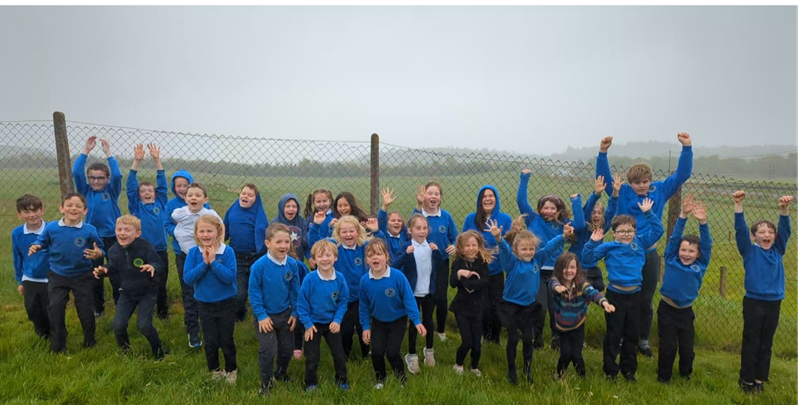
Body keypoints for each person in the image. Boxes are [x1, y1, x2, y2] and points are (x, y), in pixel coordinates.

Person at [597, 133, 694, 357]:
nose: (641, 186)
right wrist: (603, 152)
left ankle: (642, 340)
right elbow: (603, 178)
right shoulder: (622, 192)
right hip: (623, 254)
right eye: (637, 183)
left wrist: (686, 147)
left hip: (648, 252)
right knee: (621, 297)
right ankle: (619, 338)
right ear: (630, 183)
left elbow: (682, 174)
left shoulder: (659, 190)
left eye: (645, 181)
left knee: (646, 299)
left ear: (650, 180)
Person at [582, 197, 664, 382]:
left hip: (635, 296)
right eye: (622, 231)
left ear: (635, 231)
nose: (626, 234)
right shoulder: (608, 246)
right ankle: (610, 371)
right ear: (613, 233)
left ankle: (629, 371)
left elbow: (658, 230)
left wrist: (648, 213)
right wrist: (593, 242)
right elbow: (587, 260)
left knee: (631, 335)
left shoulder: (640, 242)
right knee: (613, 334)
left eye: (630, 231)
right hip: (615, 297)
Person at [488, 218, 572, 386]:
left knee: (528, 339)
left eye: (531, 249)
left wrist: (563, 236)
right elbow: (504, 250)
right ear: (516, 250)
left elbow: (549, 248)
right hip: (511, 306)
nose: (528, 252)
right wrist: (499, 238)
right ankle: (511, 371)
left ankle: (527, 369)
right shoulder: (511, 263)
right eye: (524, 249)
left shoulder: (537, 260)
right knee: (513, 339)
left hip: (528, 307)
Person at [517, 169, 586, 349]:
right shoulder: (533, 219)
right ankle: (537, 339)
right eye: (545, 207)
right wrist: (525, 178)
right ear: (540, 209)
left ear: (558, 210)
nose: (548, 211)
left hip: (557, 273)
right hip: (537, 272)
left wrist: (575, 200)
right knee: (540, 308)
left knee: (557, 309)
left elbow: (579, 224)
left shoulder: (562, 223)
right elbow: (521, 201)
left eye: (552, 208)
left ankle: (556, 341)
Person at [29, 193, 104, 353]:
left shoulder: (89, 230)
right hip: (57, 275)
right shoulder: (52, 228)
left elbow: (100, 248)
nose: (73, 208)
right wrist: (36, 245)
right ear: (61, 208)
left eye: (78, 206)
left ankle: (90, 341)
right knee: (55, 308)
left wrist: (99, 253)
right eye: (69, 205)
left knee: (85, 309)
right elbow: (42, 241)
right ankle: (58, 344)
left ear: (85, 211)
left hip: (82, 275)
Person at [733, 190, 792, 393]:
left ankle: (759, 379)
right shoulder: (749, 251)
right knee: (751, 341)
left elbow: (785, 231)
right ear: (754, 236)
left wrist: (784, 209)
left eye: (770, 232)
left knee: (766, 343)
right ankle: (746, 380)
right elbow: (740, 231)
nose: (766, 235)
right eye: (761, 232)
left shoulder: (778, 250)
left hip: (774, 303)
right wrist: (738, 205)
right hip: (753, 302)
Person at [309, 214, 384, 360]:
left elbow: (381, 247)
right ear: (338, 233)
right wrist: (316, 226)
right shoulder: (334, 246)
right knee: (346, 328)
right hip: (341, 297)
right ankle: (345, 355)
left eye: (351, 231)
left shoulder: (364, 246)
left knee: (363, 324)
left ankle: (366, 353)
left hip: (361, 296)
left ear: (358, 231)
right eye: (344, 231)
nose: (348, 235)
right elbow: (315, 245)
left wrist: (377, 232)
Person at [93, 215, 167, 360]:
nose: (122, 233)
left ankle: (159, 352)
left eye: (127, 230)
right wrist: (104, 271)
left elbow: (159, 264)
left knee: (144, 325)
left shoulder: (145, 246)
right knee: (118, 326)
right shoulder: (114, 250)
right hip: (126, 292)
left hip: (147, 291)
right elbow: (113, 267)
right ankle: (126, 352)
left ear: (137, 233)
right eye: (119, 229)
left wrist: (152, 266)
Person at [657, 195, 712, 383]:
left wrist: (703, 222)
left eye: (691, 251)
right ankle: (663, 378)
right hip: (666, 309)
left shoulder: (701, 264)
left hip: (686, 312)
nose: (686, 254)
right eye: (683, 250)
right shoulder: (671, 257)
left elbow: (707, 244)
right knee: (668, 347)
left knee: (687, 349)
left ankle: (685, 373)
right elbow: (674, 239)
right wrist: (683, 215)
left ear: (698, 254)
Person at [358, 239, 426, 389]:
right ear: (367, 260)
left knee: (392, 352)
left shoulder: (397, 277)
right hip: (378, 322)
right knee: (376, 353)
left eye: (378, 254)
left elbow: (409, 300)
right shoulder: (364, 281)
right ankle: (380, 379)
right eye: (370, 255)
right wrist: (365, 327)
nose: (375, 258)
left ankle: (402, 379)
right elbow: (363, 307)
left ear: (386, 256)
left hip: (397, 321)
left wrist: (417, 321)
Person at [183, 215, 238, 384]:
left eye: (209, 231)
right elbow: (188, 278)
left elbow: (230, 278)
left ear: (218, 232)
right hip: (204, 304)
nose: (206, 235)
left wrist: (213, 263)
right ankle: (215, 370)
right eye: (202, 231)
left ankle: (231, 370)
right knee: (210, 340)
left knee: (226, 339)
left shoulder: (227, 252)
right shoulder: (193, 253)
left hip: (226, 303)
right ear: (197, 234)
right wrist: (204, 264)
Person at [73, 135, 122, 317]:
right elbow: (77, 172)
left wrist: (108, 153)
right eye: (92, 178)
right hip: (91, 239)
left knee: (116, 272)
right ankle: (98, 308)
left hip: (112, 237)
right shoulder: (84, 191)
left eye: (100, 178)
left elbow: (117, 175)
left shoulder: (112, 191)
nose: (95, 181)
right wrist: (86, 150)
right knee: (95, 274)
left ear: (107, 179)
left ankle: (120, 305)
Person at [249, 223, 301, 394]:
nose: (283, 246)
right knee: (268, 350)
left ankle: (281, 373)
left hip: (286, 314)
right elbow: (254, 293)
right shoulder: (259, 266)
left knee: (286, 350)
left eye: (286, 242)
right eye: (278, 242)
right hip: (265, 316)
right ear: (268, 243)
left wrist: (294, 312)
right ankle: (266, 382)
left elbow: (295, 291)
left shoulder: (292, 265)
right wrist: (262, 315)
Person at [549, 253, 615, 378]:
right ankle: (560, 374)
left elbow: (593, 293)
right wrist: (558, 289)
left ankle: (582, 378)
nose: (569, 271)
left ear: (577, 269)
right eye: (565, 267)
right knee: (566, 354)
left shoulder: (582, 284)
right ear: (558, 269)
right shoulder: (555, 281)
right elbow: (553, 286)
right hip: (562, 326)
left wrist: (604, 303)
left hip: (578, 324)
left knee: (577, 355)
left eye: (572, 267)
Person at [461, 185, 513, 345]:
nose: (488, 199)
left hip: (496, 271)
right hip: (477, 271)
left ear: (496, 199)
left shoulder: (505, 219)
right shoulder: (471, 219)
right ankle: (483, 334)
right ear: (480, 200)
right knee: (481, 306)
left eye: (491, 196)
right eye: (484, 196)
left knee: (497, 306)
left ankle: (495, 338)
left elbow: (510, 246)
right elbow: (463, 242)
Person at [172, 182, 222, 348]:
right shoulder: (179, 213)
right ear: (185, 198)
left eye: (198, 195)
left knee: (207, 290)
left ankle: (212, 326)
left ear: (205, 199)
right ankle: (193, 330)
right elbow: (174, 221)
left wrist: (216, 249)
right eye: (190, 195)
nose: (194, 198)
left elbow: (221, 230)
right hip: (185, 257)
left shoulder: (210, 214)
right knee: (189, 293)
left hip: (206, 257)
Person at [296, 239, 350, 392]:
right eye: (320, 256)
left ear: (335, 258)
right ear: (313, 260)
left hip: (332, 323)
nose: (325, 259)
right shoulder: (310, 279)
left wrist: (338, 320)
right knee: (312, 356)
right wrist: (307, 324)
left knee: (339, 355)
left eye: (328, 255)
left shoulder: (339, 278)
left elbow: (343, 301)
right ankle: (310, 382)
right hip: (312, 324)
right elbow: (302, 303)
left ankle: (341, 380)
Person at [127, 143, 170, 319]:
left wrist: (156, 160)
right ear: (138, 194)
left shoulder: (161, 203)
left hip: (160, 250)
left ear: (155, 193)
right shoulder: (136, 206)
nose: (146, 192)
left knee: (160, 281)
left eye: (149, 190)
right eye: (142, 191)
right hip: (142, 250)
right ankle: (144, 310)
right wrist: (136, 162)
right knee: (142, 281)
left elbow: (162, 184)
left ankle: (163, 312)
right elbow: (130, 185)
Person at [391, 214, 438, 374]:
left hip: (429, 292)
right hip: (412, 294)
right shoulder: (406, 246)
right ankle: (411, 355)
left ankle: (429, 351)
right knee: (413, 325)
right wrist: (406, 254)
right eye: (418, 228)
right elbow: (394, 266)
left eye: (425, 228)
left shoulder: (431, 247)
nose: (422, 231)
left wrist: (437, 253)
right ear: (410, 230)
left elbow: (440, 267)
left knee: (429, 323)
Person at [412, 182, 459, 341]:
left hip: (441, 263)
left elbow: (455, 237)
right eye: (429, 193)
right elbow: (410, 229)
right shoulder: (419, 215)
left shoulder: (446, 216)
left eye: (436, 194)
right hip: (421, 263)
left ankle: (440, 330)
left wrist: (453, 246)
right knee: (422, 295)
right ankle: (420, 327)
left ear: (440, 198)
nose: (433, 197)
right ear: (424, 196)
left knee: (441, 297)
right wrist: (418, 205)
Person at [449, 230, 492, 377]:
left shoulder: (482, 262)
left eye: (474, 245)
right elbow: (453, 283)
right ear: (461, 248)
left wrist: (468, 282)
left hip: (477, 308)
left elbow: (485, 282)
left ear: (479, 246)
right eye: (467, 245)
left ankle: (474, 367)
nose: (471, 248)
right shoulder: (458, 262)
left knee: (477, 344)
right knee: (467, 341)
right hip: (461, 307)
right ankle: (458, 364)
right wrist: (460, 274)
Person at [224, 183, 269, 322]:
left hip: (257, 257)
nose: (245, 196)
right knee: (239, 293)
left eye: (250, 195)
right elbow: (223, 230)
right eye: (243, 193)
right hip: (237, 258)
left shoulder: (259, 213)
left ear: (256, 199)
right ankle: (240, 313)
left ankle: (262, 314)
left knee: (260, 289)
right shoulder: (232, 211)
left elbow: (265, 235)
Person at [569, 175, 619, 292]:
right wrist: (596, 195)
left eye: (599, 213)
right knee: (577, 291)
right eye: (593, 213)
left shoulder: (603, 227)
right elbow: (587, 210)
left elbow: (611, 210)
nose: (596, 215)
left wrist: (615, 193)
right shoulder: (582, 227)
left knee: (599, 287)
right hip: (576, 265)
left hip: (591, 267)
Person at [11, 194, 50, 338]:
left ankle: (56, 334)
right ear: (19, 215)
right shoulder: (17, 233)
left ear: (42, 211)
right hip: (29, 278)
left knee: (51, 310)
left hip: (50, 278)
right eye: (26, 212)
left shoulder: (51, 230)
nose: (32, 215)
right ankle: (42, 336)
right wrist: (20, 280)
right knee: (33, 309)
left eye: (35, 211)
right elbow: (18, 257)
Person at [271, 193, 307, 265]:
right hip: (280, 261)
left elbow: (305, 241)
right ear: (282, 208)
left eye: (294, 206)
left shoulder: (301, 221)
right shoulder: (276, 222)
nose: (291, 209)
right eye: (287, 206)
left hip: (298, 261)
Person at [302, 188, 334, 265]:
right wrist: (309, 256)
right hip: (316, 258)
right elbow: (305, 240)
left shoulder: (335, 217)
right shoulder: (311, 219)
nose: (322, 204)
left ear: (329, 201)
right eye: (318, 202)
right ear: (314, 203)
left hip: (332, 256)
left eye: (324, 201)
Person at [378, 187, 408, 259]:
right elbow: (381, 221)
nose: (397, 222)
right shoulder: (385, 236)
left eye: (399, 220)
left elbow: (413, 224)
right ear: (387, 224)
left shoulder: (405, 235)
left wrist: (419, 204)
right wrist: (385, 206)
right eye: (393, 220)